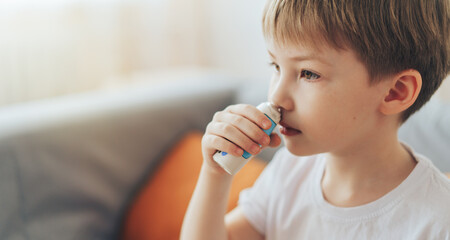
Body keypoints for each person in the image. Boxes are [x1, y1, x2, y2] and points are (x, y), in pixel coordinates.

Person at [181, 0, 450, 239]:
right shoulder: (289, 174)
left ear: (395, 92)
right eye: (276, 66)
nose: (276, 97)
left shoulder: (437, 221)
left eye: (308, 73)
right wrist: (215, 173)